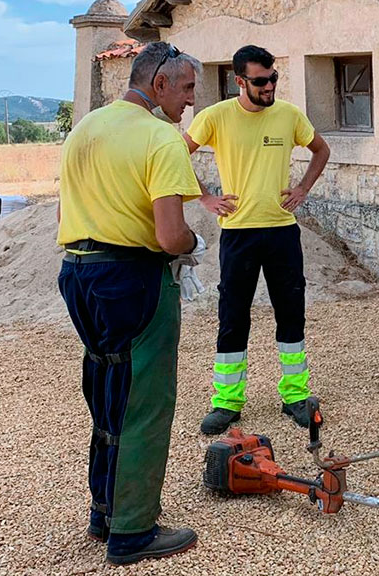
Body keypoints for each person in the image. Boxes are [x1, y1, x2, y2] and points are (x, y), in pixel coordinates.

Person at [57, 42, 205, 565]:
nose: (192, 100)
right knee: (144, 400)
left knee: (108, 391)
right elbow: (169, 236)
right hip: (132, 279)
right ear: (159, 83)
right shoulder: (161, 138)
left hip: (77, 272)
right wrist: (194, 246)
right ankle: (133, 532)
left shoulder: (86, 128)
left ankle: (105, 512)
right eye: (187, 87)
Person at [184, 45, 331, 435]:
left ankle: (296, 396)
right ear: (240, 81)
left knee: (291, 312)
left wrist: (302, 187)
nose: (270, 87)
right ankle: (227, 402)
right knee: (233, 317)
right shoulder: (214, 116)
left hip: (282, 232)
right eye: (261, 81)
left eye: (274, 79)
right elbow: (176, 155)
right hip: (238, 235)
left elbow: (321, 149)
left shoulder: (288, 115)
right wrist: (205, 196)